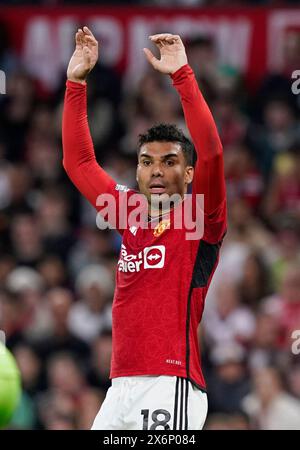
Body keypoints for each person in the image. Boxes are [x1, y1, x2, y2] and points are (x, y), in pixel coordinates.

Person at [62, 26, 226, 430]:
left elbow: (212, 152)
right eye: (146, 161)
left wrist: (183, 77)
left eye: (169, 161)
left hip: (171, 384)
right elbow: (78, 164)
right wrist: (75, 83)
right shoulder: (129, 213)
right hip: (119, 387)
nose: (156, 170)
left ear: (188, 174)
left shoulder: (200, 218)